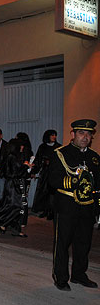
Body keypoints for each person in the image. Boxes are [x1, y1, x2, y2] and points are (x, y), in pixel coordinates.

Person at [48, 119, 99, 290]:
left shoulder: (94, 157)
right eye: (81, 133)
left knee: (83, 243)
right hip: (67, 206)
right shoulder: (60, 153)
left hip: (87, 206)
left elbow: (98, 185)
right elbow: (53, 180)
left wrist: (98, 207)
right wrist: (75, 181)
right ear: (73, 134)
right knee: (62, 243)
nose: (85, 137)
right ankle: (61, 277)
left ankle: (79, 274)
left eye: (88, 134)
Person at [0, 138, 32, 236]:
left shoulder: (10, 156)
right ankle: (4, 223)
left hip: (12, 184)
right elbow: (14, 172)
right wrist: (26, 166)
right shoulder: (12, 157)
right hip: (13, 185)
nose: (22, 147)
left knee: (10, 204)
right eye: (20, 145)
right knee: (15, 205)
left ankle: (12, 227)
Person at [31, 130, 60, 219]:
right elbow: (38, 160)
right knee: (43, 192)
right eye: (52, 135)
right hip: (44, 173)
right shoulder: (42, 147)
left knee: (53, 193)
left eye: (55, 135)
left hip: (54, 172)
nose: (54, 137)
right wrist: (33, 171)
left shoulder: (59, 147)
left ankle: (52, 212)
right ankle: (44, 210)